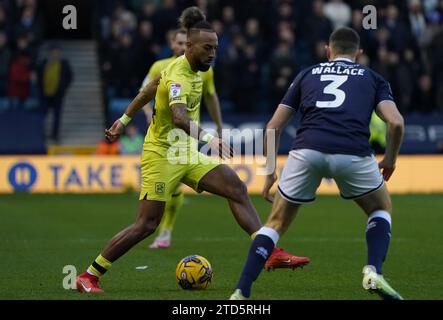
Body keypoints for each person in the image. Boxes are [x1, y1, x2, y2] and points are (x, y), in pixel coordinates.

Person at [76, 7, 308, 294]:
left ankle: (268, 251)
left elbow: (148, 90)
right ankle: (89, 274)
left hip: (186, 152)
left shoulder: (198, 70)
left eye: (216, 48)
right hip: (161, 155)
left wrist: (123, 119)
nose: (213, 54)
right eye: (207, 48)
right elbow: (179, 118)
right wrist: (211, 139)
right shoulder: (179, 76)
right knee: (146, 225)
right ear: (190, 46)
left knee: (236, 188)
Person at [230, 27, 405, 300]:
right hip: (353, 152)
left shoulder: (308, 73)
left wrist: (269, 170)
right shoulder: (373, 78)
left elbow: (273, 126)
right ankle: (373, 271)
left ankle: (241, 291)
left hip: (307, 151)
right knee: (380, 208)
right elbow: (396, 123)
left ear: (327, 51)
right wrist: (390, 160)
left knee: (274, 223)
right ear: (358, 54)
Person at [140, 27, 223, 249]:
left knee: (235, 189)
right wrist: (145, 115)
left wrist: (218, 126)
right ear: (174, 44)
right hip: (161, 142)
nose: (180, 46)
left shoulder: (204, 70)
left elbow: (210, 97)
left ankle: (166, 231)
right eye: (177, 43)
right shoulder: (161, 67)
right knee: (147, 221)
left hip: (186, 142)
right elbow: (144, 93)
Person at [37, 43, 72, 143]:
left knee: (57, 116)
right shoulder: (43, 63)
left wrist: (63, 88)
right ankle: (40, 134)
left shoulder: (64, 64)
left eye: (57, 53)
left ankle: (55, 135)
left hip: (57, 94)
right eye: (53, 52)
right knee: (42, 115)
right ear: (49, 53)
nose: (55, 54)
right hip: (45, 94)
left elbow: (70, 77)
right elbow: (39, 76)